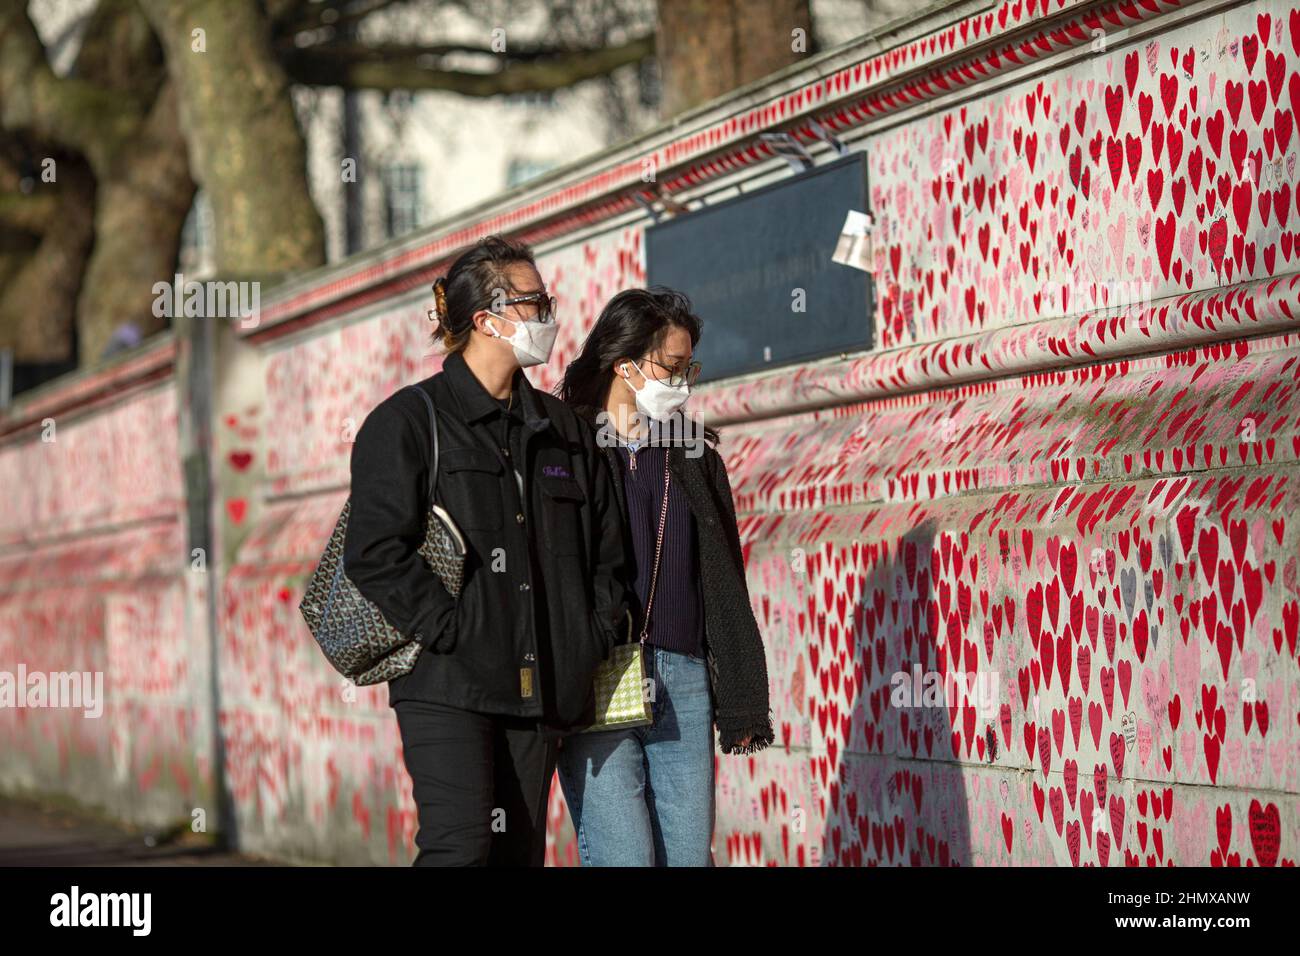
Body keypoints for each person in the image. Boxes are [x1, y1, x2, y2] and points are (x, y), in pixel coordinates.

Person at [343, 235, 633, 866]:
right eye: (536, 303)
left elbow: (607, 554)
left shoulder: (565, 433)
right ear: (487, 319)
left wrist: (590, 634)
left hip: (543, 685)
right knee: (461, 848)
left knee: (516, 855)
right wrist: (454, 630)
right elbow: (374, 552)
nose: (550, 315)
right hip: (448, 684)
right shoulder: (407, 422)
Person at [554, 286, 774, 866]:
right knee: (623, 855)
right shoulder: (568, 449)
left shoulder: (694, 455)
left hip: (684, 677)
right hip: (598, 675)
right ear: (625, 365)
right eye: (672, 368)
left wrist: (744, 700)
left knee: (687, 858)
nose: (683, 384)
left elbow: (726, 580)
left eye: (688, 369)